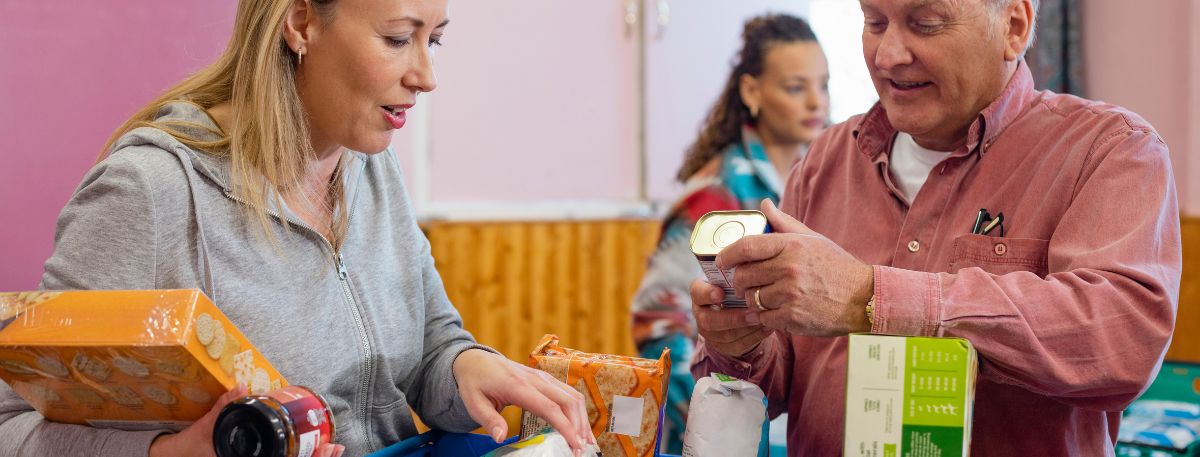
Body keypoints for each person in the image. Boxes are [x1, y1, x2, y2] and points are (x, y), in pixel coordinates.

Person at [0, 1, 594, 456]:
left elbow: (428, 355)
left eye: (433, 40)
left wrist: (467, 367)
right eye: (397, 38)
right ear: (302, 23)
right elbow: (12, 428)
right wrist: (171, 452)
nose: (425, 76)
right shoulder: (151, 191)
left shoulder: (370, 162)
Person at [689, 0, 1181, 455]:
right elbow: (767, 386)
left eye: (926, 24)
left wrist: (870, 297)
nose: (888, 55)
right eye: (874, 21)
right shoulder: (825, 161)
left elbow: (1121, 344)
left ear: (1014, 27)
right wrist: (738, 346)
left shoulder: (1109, 150)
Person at [628, 13, 828, 453]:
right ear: (753, 92)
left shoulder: (832, 174)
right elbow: (658, 319)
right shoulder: (717, 194)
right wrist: (708, 418)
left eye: (823, 85)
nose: (817, 102)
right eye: (797, 87)